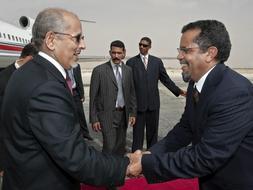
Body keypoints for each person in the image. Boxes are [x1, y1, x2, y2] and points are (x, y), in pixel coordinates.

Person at [1, 8, 130, 190]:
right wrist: (126, 166)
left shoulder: (25, 73)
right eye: (77, 38)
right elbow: (75, 157)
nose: (83, 45)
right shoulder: (46, 86)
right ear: (51, 40)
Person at [128, 20, 253, 190]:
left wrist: (147, 164)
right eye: (179, 50)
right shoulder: (195, 83)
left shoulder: (235, 92)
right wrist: (150, 153)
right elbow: (185, 128)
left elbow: (206, 157)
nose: (179, 56)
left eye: (185, 50)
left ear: (210, 53)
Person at [126, 37, 186, 152]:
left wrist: (178, 91)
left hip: (153, 104)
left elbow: (165, 79)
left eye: (144, 45)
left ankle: (151, 156)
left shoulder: (157, 62)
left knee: (153, 134)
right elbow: (129, 86)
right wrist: (129, 107)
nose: (141, 47)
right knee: (137, 135)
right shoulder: (131, 62)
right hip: (138, 106)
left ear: (149, 47)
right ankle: (135, 156)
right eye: (140, 45)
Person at [0, 43, 38, 186]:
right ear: (29, 59)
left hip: (30, 153)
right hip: (9, 155)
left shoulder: (33, 76)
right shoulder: (3, 79)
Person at [90, 40, 137, 156]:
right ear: (110, 52)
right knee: (109, 146)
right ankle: (105, 171)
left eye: (119, 53)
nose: (116, 56)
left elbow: (132, 93)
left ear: (124, 53)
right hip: (107, 115)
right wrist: (94, 118)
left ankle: (119, 171)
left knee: (121, 146)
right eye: (114, 53)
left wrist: (133, 113)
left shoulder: (128, 71)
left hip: (123, 114)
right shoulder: (99, 71)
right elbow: (93, 97)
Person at [67, 63, 93, 141]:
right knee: (70, 114)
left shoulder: (76, 66)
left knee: (80, 114)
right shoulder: (62, 64)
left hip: (76, 92)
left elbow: (79, 80)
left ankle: (85, 133)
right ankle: (74, 135)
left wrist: (82, 94)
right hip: (66, 91)